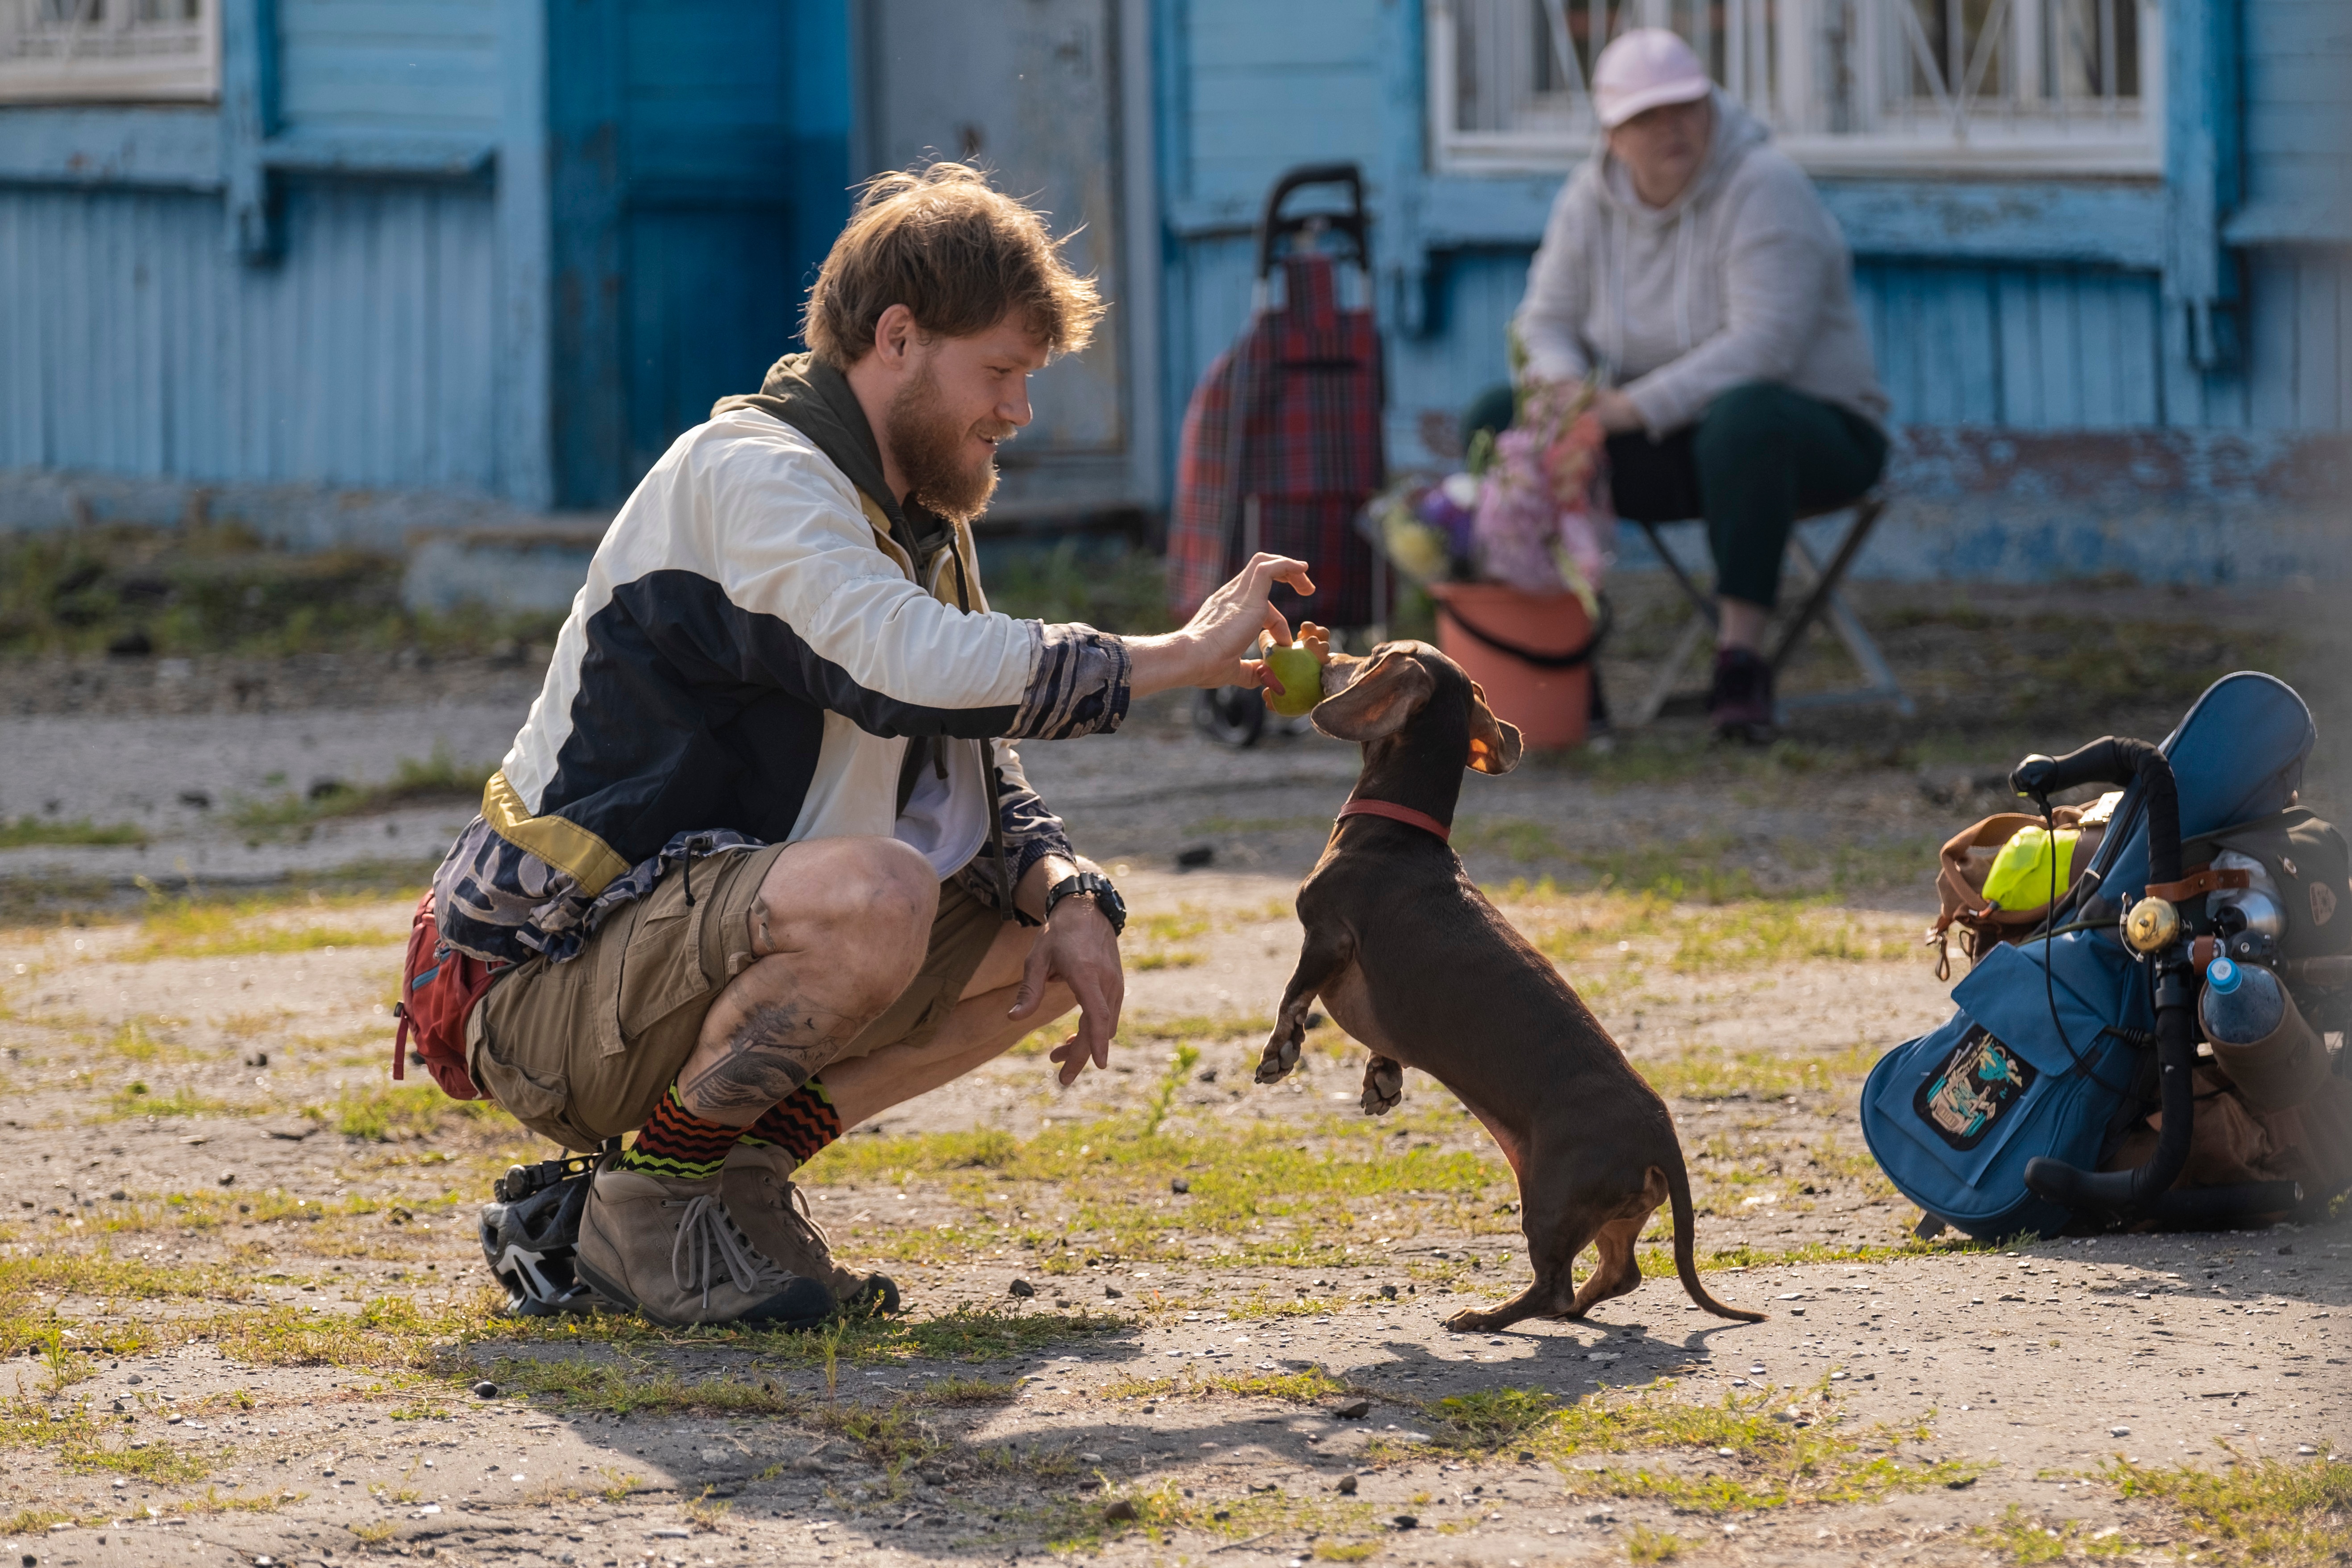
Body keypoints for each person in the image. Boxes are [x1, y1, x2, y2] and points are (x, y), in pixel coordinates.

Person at [428, 162, 1311, 1327]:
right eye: (998, 372)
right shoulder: (757, 478)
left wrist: (1067, 889)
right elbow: (912, 667)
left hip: (683, 951)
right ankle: (651, 1200)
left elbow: (966, 753)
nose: (1017, 411)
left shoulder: (903, 513)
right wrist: (1177, 656)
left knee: (1042, 945)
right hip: (537, 983)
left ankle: (729, 1183)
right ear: (897, 337)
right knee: (877, 894)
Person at [1510, 28, 1890, 740]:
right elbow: (1543, 321)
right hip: (1668, 443)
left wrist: (1625, 407)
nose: (1671, 127)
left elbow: (1765, 344)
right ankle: (1558, 660)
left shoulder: (1764, 185)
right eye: (1646, 116)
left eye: (1685, 106)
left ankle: (1740, 661)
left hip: (1811, 436)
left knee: (1744, 418)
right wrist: (1564, 396)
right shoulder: (1586, 201)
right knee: (1503, 418)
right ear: (1611, 133)